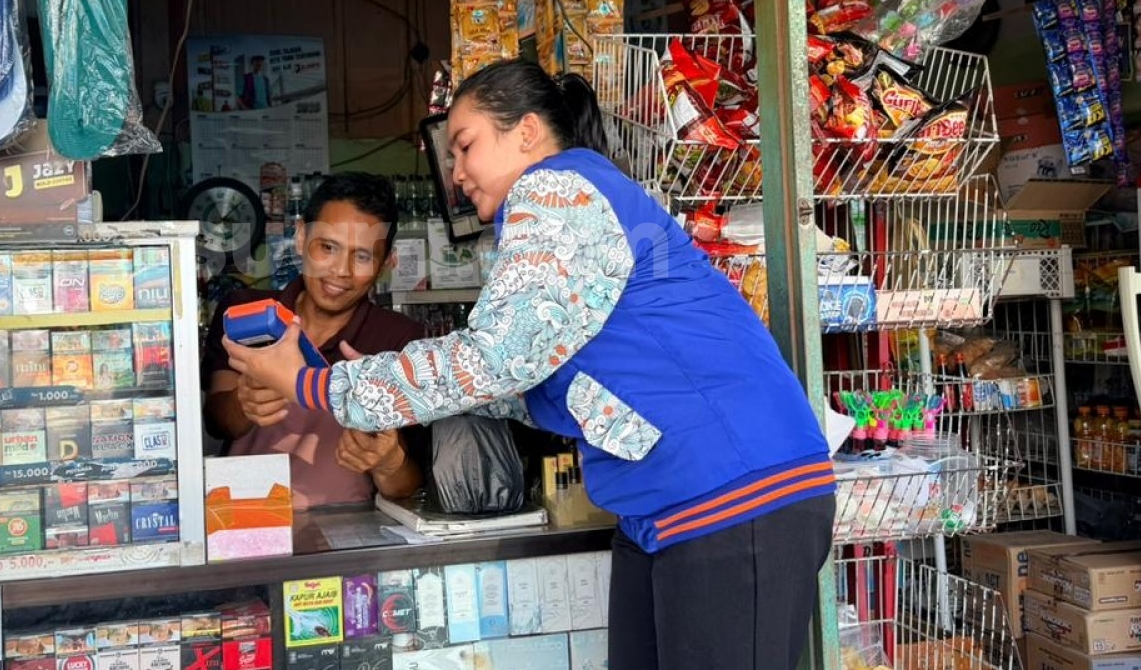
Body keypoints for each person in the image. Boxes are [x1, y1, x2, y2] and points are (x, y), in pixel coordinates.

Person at [224, 60, 835, 670]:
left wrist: (314, 382)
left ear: (526, 131)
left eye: (464, 147)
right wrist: (391, 379)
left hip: (734, 490)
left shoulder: (557, 188)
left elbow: (495, 358)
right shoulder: (572, 196)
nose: (456, 173)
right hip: (667, 507)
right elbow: (528, 379)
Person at [202, 172, 428, 510]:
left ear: (386, 264)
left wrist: (387, 461)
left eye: (363, 257)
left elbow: (407, 486)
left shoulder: (400, 340)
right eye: (327, 247)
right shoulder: (244, 309)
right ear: (301, 238)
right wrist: (244, 403)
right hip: (244, 519)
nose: (340, 271)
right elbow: (217, 422)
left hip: (348, 531)